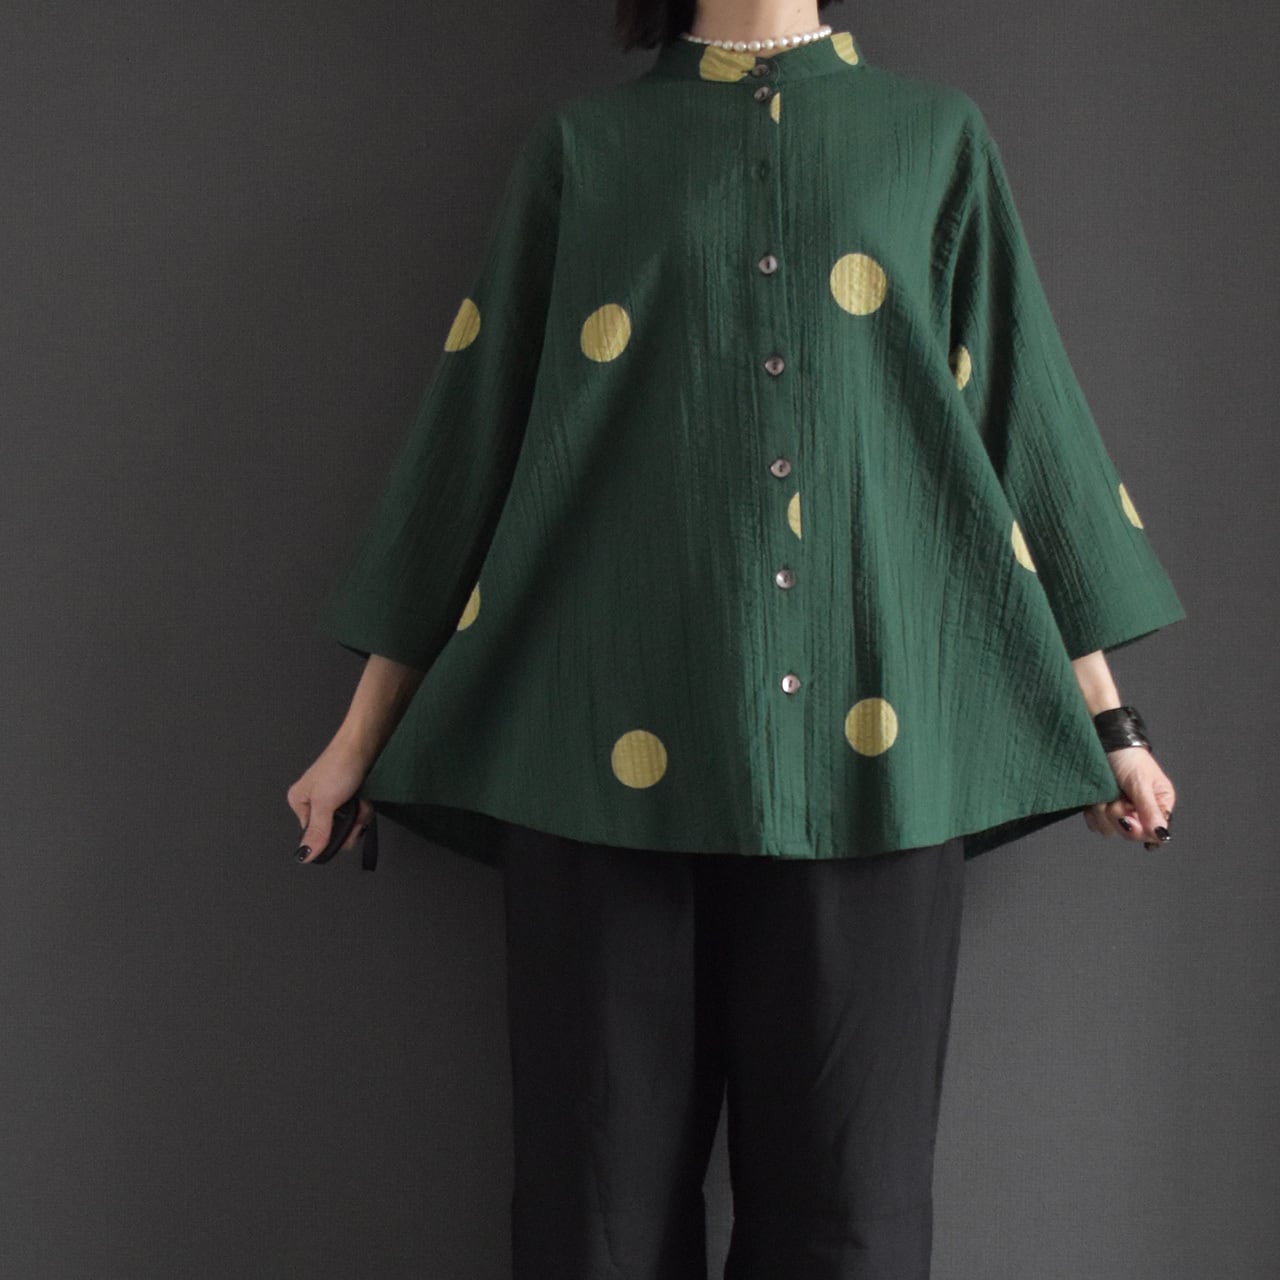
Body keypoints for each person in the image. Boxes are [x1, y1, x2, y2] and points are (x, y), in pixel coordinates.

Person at [287, 1, 1185, 1275]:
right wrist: (357, 733)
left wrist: (1109, 720)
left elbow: (1018, 420)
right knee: (592, 1210)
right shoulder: (582, 151)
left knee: (851, 1214)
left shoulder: (934, 140)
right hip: (593, 742)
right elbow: (474, 433)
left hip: (876, 763)